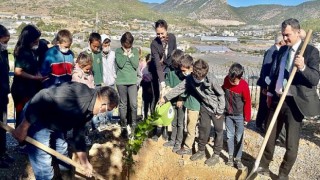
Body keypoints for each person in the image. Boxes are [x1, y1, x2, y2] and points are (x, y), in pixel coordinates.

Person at [11, 82, 119, 179]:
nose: (104, 113)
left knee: (62, 153)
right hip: (37, 116)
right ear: (103, 105)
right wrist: (23, 127)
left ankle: (65, 177)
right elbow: (43, 96)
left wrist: (84, 162)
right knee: (44, 163)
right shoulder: (80, 97)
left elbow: (79, 134)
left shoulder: (89, 109)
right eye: (108, 110)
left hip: (55, 121)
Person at [257, 18, 320, 179]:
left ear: (298, 32)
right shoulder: (283, 51)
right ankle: (262, 166)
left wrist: (303, 67)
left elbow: (314, 79)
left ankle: (283, 174)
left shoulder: (311, 52)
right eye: (283, 35)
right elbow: (276, 73)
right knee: (269, 136)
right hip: (278, 100)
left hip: (295, 104)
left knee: (291, 145)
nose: (284, 38)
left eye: (288, 35)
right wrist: (270, 93)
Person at [160, 59, 225, 166]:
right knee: (203, 130)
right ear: (194, 72)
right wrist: (165, 98)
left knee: (218, 131)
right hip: (205, 107)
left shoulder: (212, 79)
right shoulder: (190, 78)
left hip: (217, 108)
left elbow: (221, 95)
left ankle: (216, 155)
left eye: (201, 78)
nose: (199, 80)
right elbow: (179, 88)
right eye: (197, 78)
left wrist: (220, 110)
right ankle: (201, 151)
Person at [11, 24, 46, 128]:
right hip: (22, 90)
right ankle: (22, 139)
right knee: (23, 115)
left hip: (31, 88)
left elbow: (33, 67)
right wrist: (35, 78)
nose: (37, 42)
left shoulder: (32, 51)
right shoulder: (23, 52)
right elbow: (18, 71)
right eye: (35, 40)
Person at [149, 19, 177, 139]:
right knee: (156, 99)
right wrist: (162, 83)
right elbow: (157, 65)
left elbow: (175, 55)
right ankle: (156, 128)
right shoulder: (154, 44)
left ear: (167, 30)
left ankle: (165, 127)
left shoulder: (172, 38)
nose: (160, 36)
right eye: (158, 34)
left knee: (167, 99)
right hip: (158, 73)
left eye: (162, 33)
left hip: (170, 71)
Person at [222, 63, 251, 170]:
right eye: (230, 79)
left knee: (239, 137)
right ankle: (230, 156)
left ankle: (238, 158)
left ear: (240, 77)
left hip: (239, 116)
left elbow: (247, 102)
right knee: (229, 135)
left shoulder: (244, 85)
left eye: (234, 81)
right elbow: (222, 91)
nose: (231, 82)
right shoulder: (226, 80)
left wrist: (247, 118)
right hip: (228, 115)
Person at [256, 33, 285, 133]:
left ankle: (262, 123)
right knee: (264, 105)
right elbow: (266, 69)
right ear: (281, 42)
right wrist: (266, 86)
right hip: (266, 84)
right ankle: (259, 124)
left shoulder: (275, 51)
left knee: (266, 105)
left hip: (268, 84)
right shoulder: (272, 51)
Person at [115, 32, 139, 138]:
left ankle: (133, 125)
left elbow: (135, 65)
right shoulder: (118, 51)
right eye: (125, 45)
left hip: (132, 81)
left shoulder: (135, 51)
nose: (127, 47)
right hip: (121, 81)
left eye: (129, 45)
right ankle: (124, 127)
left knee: (133, 104)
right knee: (123, 104)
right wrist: (126, 54)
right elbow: (120, 64)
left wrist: (130, 54)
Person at [175, 54, 200, 156]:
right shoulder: (191, 76)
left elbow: (187, 90)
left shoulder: (194, 78)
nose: (183, 73)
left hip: (194, 106)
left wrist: (181, 97)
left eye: (184, 71)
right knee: (190, 125)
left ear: (191, 67)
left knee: (190, 127)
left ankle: (188, 147)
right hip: (190, 104)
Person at [161, 50, 185, 150]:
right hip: (171, 99)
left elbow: (185, 86)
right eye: (174, 63)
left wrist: (181, 98)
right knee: (173, 121)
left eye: (177, 63)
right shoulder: (171, 69)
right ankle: (172, 140)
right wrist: (165, 90)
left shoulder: (183, 72)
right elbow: (167, 81)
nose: (175, 65)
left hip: (180, 101)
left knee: (180, 122)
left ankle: (179, 142)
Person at [0, 24, 15, 168]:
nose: (6, 45)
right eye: (4, 42)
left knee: (3, 126)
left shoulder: (4, 53)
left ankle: (3, 153)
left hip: (2, 94)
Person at [101, 34, 116, 121]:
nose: (107, 47)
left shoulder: (113, 54)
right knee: (102, 104)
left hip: (111, 82)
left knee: (110, 103)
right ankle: (101, 123)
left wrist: (114, 76)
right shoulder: (98, 55)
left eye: (108, 45)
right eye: (105, 45)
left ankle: (109, 121)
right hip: (102, 83)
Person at [140, 54, 153, 119]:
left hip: (152, 90)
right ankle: (145, 117)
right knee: (145, 104)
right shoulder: (144, 69)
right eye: (148, 61)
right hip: (145, 90)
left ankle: (150, 118)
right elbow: (142, 80)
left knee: (151, 105)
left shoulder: (154, 70)